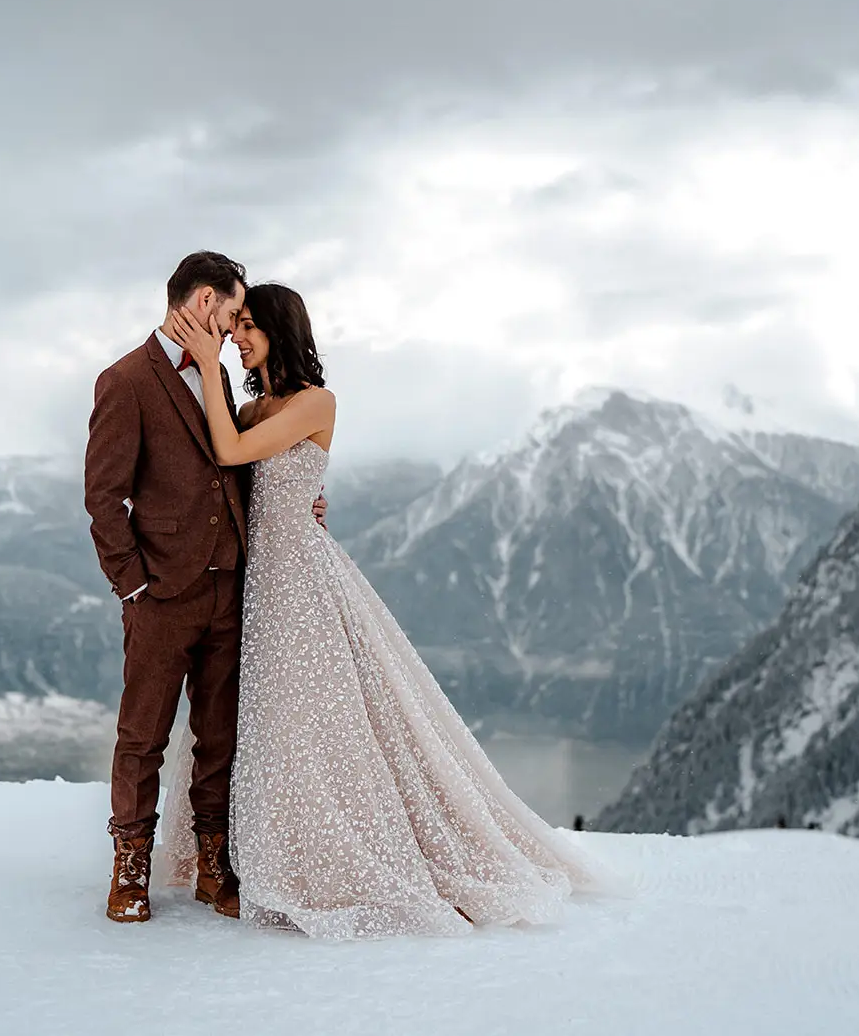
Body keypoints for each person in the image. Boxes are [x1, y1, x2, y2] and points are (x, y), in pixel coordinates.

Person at [159, 283, 625, 939]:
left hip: (300, 583)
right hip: (255, 583)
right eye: (232, 328)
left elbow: (235, 453)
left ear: (280, 330)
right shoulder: (254, 404)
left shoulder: (317, 400)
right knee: (258, 715)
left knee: (307, 716)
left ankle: (321, 854)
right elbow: (226, 468)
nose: (235, 338)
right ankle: (238, 851)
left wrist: (206, 364)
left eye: (246, 327)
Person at [83, 252, 326, 924]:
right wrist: (133, 586)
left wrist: (297, 497)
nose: (234, 327)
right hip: (163, 594)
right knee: (143, 735)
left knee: (220, 735)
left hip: (234, 587)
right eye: (230, 311)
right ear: (201, 301)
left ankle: (213, 863)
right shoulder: (125, 380)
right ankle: (129, 866)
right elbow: (103, 499)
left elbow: (234, 468)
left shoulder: (219, 377)